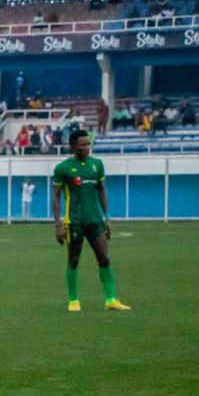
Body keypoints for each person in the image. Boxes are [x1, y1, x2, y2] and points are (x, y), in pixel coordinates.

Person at [53, 130, 130, 312]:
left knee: (104, 257)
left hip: (95, 220)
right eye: (83, 144)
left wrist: (108, 217)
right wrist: (58, 223)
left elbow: (102, 190)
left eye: (88, 144)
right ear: (73, 147)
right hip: (74, 222)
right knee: (73, 259)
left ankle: (111, 299)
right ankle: (73, 301)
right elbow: (56, 197)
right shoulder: (63, 168)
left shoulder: (97, 165)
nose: (87, 147)